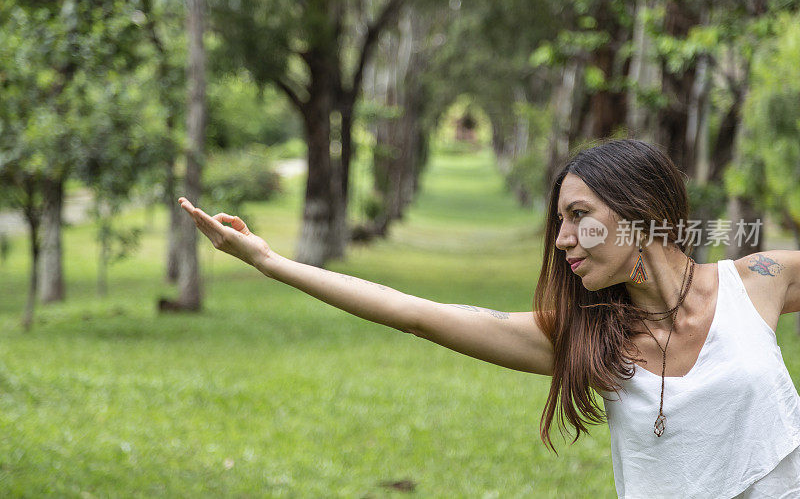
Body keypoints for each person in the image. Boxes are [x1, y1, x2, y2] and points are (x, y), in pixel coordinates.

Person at [178, 139, 800, 498]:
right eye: (558, 220)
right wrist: (269, 262)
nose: (561, 240)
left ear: (637, 211)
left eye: (577, 214)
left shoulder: (757, 284)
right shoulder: (582, 340)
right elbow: (417, 314)